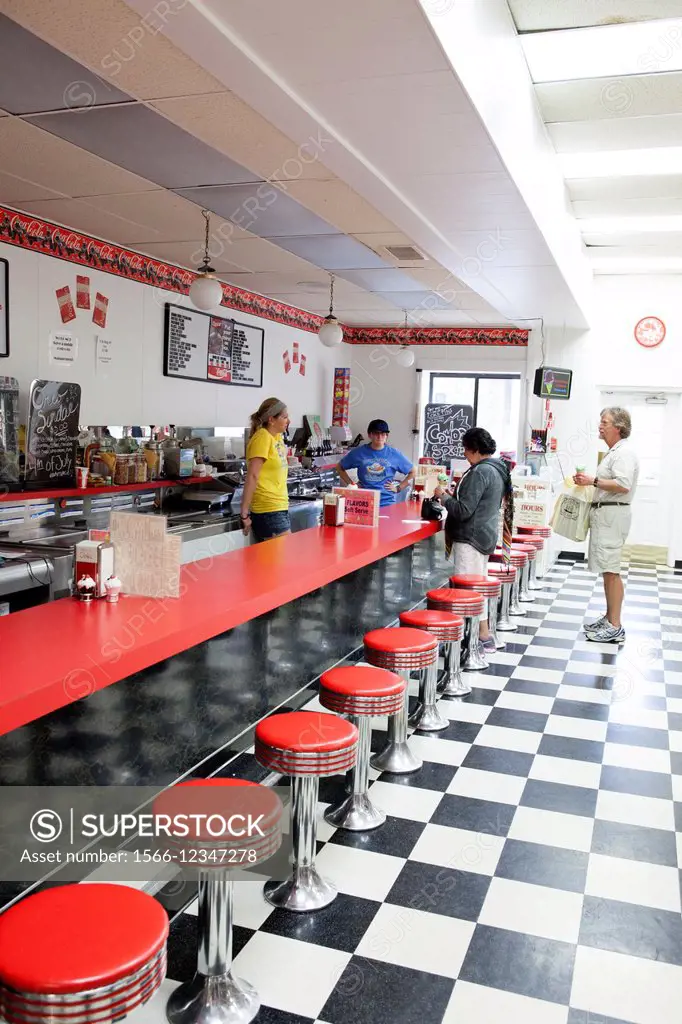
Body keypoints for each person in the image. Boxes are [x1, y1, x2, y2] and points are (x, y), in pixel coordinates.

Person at [434, 427, 514, 654]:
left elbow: (463, 510)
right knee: (476, 589)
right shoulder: (498, 468)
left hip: (470, 538)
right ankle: (483, 635)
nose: (465, 455)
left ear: (474, 449)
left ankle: (462, 641)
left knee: (465, 593)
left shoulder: (479, 472)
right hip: (484, 535)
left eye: (466, 450)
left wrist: (444, 496)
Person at [574, 407, 639, 644]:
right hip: (606, 516)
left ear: (618, 428)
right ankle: (610, 618)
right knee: (606, 569)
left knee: (611, 571)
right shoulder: (614, 452)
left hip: (613, 516)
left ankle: (615, 625)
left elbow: (623, 484)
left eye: (604, 422)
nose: (600, 426)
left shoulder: (624, 453)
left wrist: (593, 480)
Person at [241, 398, 291, 543]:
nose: (288, 420)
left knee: (280, 563)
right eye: (285, 417)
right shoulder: (262, 438)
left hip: (280, 507)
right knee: (282, 562)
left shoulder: (277, 438)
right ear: (271, 420)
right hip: (267, 510)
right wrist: (244, 513)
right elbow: (253, 475)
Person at [337, 419, 415, 506]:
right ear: (369, 435)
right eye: (376, 433)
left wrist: (399, 488)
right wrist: (352, 484)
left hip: (386, 502)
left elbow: (413, 471)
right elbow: (339, 467)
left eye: (383, 434)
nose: (380, 437)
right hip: (363, 502)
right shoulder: (359, 452)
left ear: (387, 436)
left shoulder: (394, 454)